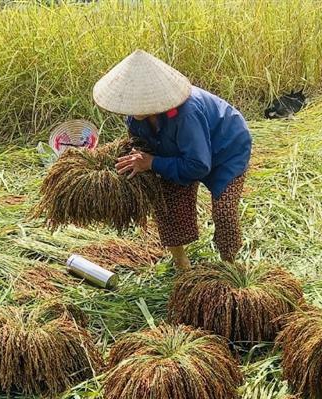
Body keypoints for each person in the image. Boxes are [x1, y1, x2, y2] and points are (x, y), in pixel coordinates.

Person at [92, 50, 252, 271]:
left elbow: (198, 165)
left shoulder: (187, 115)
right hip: (182, 152)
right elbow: (141, 145)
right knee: (166, 202)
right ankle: (181, 263)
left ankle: (230, 265)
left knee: (224, 212)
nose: (132, 109)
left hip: (227, 148)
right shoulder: (135, 117)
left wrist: (152, 163)